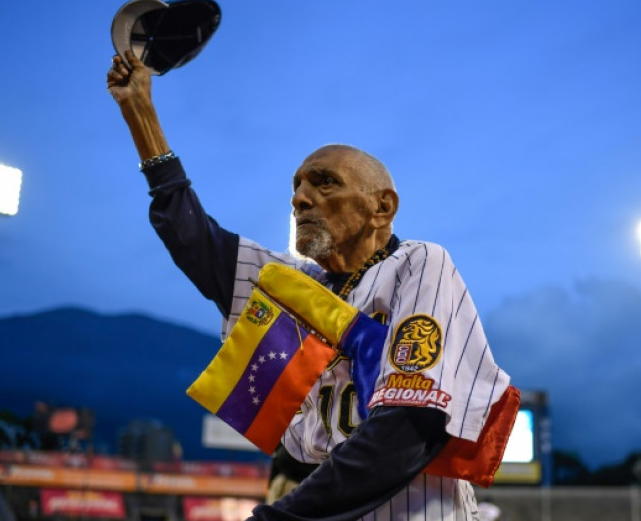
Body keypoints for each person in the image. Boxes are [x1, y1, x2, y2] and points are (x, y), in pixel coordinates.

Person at [108, 50, 513, 521]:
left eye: (324, 183)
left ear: (382, 208)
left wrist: (281, 517)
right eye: (298, 186)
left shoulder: (418, 263)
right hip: (324, 499)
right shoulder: (296, 283)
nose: (300, 198)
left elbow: (408, 427)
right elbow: (194, 239)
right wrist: (140, 113)